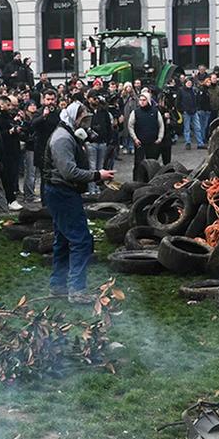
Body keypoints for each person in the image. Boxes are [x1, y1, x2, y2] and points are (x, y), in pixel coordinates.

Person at [43, 101, 113, 299]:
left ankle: (58, 286)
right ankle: (77, 290)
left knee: (63, 240)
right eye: (83, 119)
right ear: (75, 118)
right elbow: (69, 172)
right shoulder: (62, 139)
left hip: (61, 192)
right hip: (62, 193)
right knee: (81, 240)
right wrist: (97, 175)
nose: (85, 124)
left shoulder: (67, 134)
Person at [128, 89, 166, 182]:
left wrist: (160, 138)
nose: (141, 102)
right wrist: (135, 138)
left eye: (144, 100)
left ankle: (151, 181)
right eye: (140, 100)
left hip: (152, 141)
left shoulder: (155, 111)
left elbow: (161, 125)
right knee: (138, 163)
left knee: (152, 163)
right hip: (140, 142)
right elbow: (130, 126)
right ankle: (136, 181)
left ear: (148, 100)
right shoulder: (135, 112)